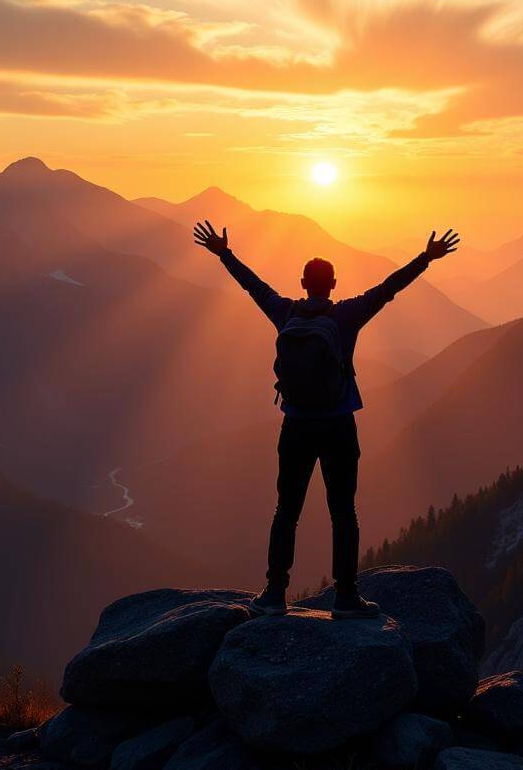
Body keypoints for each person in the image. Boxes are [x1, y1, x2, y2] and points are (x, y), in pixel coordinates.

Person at [193, 218, 461, 619]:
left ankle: (273, 594)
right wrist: (426, 258)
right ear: (332, 285)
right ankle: (346, 596)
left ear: (303, 284)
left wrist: (224, 254)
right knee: (343, 512)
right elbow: (389, 289)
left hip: (296, 424)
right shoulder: (346, 317)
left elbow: (254, 286)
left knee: (287, 510)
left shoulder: (285, 313)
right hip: (337, 424)